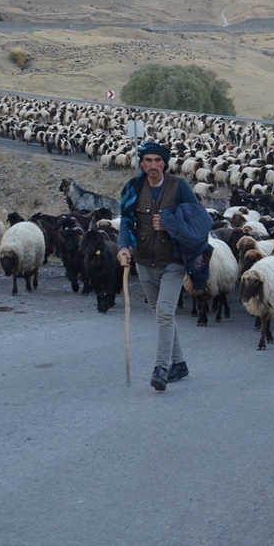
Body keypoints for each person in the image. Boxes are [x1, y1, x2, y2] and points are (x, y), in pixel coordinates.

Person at [117, 141, 200, 391]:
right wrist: (123, 247)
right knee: (161, 315)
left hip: (172, 261)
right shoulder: (133, 188)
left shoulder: (179, 187)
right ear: (141, 162)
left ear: (165, 163)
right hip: (144, 263)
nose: (153, 165)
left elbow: (197, 220)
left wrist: (169, 225)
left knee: (165, 313)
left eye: (157, 160)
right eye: (148, 160)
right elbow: (126, 223)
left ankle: (161, 369)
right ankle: (179, 363)